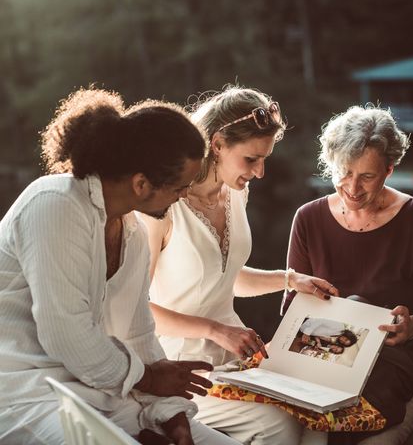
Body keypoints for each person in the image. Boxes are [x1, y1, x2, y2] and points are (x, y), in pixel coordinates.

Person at [0, 89, 238, 444]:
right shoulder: (54, 204)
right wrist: (150, 379)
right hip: (28, 397)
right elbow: (66, 334)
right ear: (141, 184)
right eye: (179, 187)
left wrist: (171, 414)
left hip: (104, 396)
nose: (184, 196)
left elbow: (139, 335)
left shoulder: (133, 233)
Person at [139, 85, 335, 445]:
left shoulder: (236, 192)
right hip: (182, 367)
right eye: (251, 159)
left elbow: (225, 278)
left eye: (265, 160)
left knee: (316, 419)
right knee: (279, 426)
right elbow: (135, 307)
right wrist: (214, 329)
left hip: (238, 358)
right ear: (217, 145)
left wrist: (291, 280)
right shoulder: (164, 207)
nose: (260, 172)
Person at [284, 105, 413, 441]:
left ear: (389, 170)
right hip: (330, 355)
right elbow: (292, 309)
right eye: (344, 172)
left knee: (358, 419)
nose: (353, 188)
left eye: (367, 176)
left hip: (401, 357)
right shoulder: (308, 218)